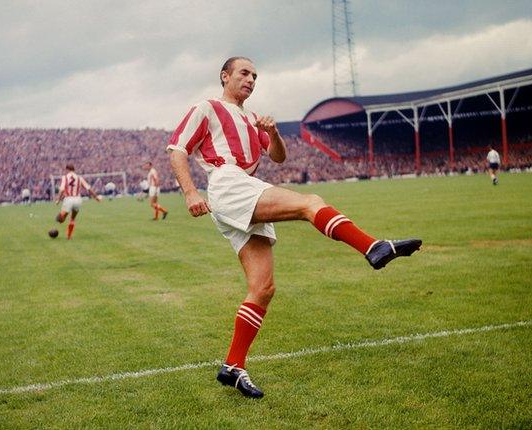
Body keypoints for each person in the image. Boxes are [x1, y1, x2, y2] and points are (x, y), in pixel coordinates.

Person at [167, 56, 422, 399]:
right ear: (224, 76)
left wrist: (272, 133)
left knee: (263, 287)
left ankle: (233, 366)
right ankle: (373, 247)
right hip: (228, 183)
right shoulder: (208, 108)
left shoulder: (253, 120)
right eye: (244, 73)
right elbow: (177, 150)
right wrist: (189, 192)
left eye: (255, 75)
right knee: (309, 202)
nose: (251, 79)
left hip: (244, 185)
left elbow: (278, 157)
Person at [54, 163, 101, 239]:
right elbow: (89, 189)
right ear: (74, 169)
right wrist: (96, 198)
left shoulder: (65, 177)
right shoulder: (79, 178)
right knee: (72, 219)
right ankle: (69, 236)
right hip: (78, 200)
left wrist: (58, 200)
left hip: (68, 199)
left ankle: (56, 226)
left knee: (61, 218)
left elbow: (62, 189)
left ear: (67, 169)